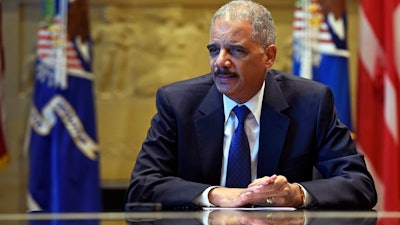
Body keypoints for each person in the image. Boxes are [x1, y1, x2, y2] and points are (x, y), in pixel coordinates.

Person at [126, 0, 377, 210]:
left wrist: (296, 194)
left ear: (268, 56)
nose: (220, 62)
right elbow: (143, 185)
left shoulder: (311, 101)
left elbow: (358, 184)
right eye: (214, 50)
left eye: (236, 51)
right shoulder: (178, 103)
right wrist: (215, 195)